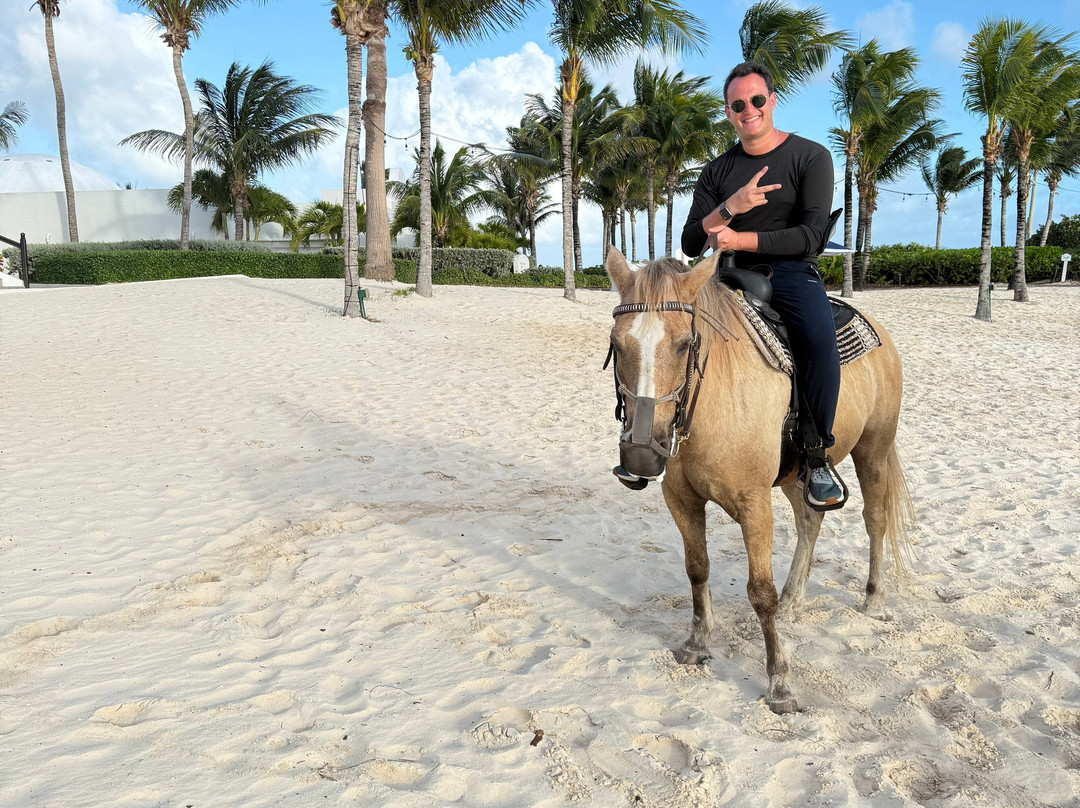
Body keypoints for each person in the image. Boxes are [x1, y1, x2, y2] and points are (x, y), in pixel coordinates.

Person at [680, 60, 845, 510]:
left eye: (756, 100)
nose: (748, 109)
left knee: (817, 337)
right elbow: (692, 239)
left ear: (772, 102)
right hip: (724, 271)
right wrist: (730, 206)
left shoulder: (811, 157)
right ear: (729, 112)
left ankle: (817, 455)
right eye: (738, 104)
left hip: (790, 271)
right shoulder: (717, 172)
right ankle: (659, 435)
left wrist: (739, 236)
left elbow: (812, 235)